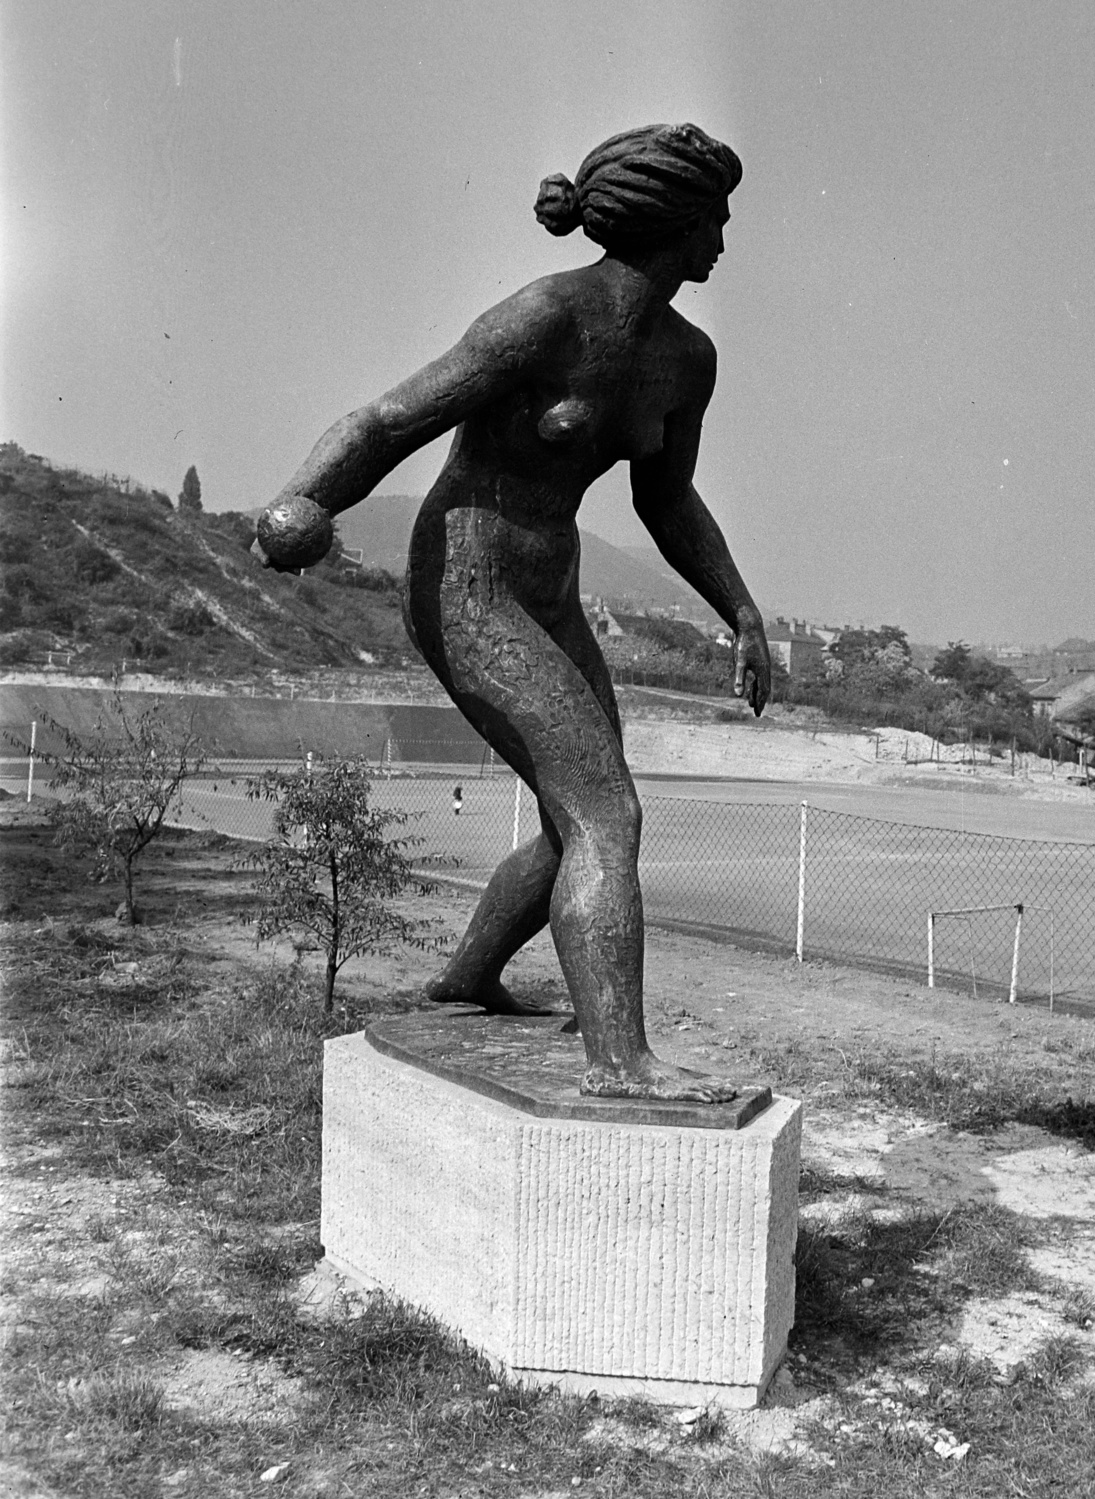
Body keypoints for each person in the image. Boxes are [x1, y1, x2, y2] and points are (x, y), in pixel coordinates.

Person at [257, 124, 769, 1103]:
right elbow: (389, 419)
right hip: (466, 579)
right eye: (715, 218)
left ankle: (466, 979)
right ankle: (620, 1064)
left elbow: (666, 498)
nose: (723, 238)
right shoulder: (546, 315)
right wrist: (308, 499)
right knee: (606, 812)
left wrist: (738, 608)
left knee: (572, 811)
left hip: (550, 585)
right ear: (675, 222)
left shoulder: (684, 359)